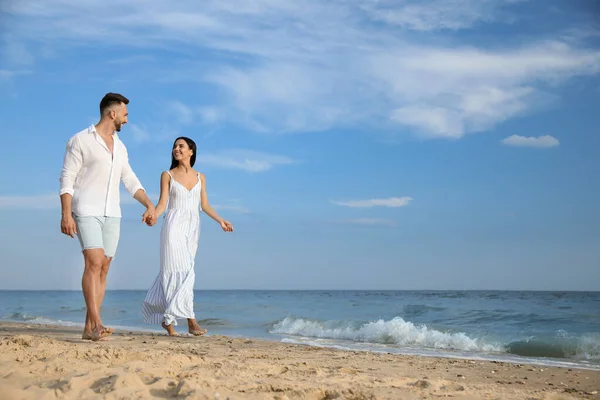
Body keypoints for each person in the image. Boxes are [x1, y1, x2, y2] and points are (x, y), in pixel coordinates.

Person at [59, 93, 156, 341]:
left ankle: (88, 328)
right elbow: (67, 180)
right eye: (125, 115)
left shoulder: (121, 147)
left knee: (103, 268)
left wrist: (149, 204)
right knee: (93, 262)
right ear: (112, 114)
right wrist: (65, 214)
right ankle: (98, 323)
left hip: (113, 213)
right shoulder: (80, 140)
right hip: (86, 210)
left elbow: (130, 180)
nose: (127, 120)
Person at [142, 136, 233, 336]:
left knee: (182, 269)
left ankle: (168, 320)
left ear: (191, 151)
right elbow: (162, 204)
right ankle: (192, 322)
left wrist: (220, 220)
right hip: (173, 226)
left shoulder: (201, 177)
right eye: (175, 146)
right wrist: (153, 216)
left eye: (181, 146)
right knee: (184, 272)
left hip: (193, 227)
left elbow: (205, 205)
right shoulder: (167, 175)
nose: (176, 149)